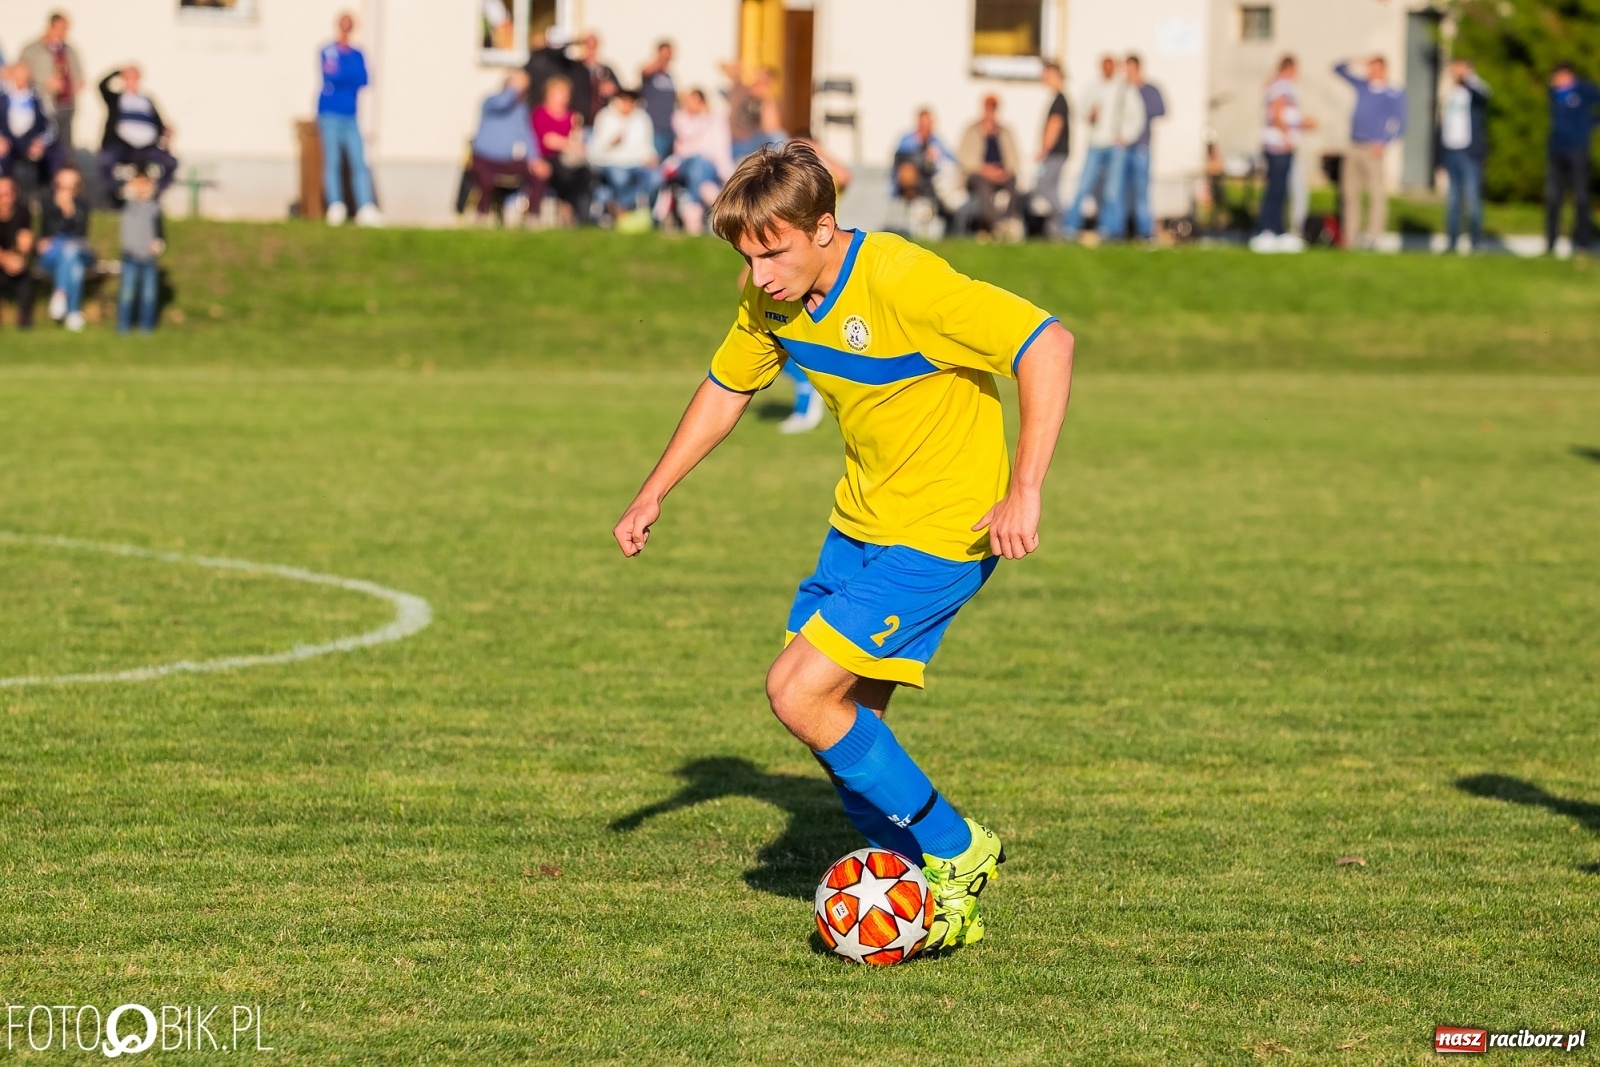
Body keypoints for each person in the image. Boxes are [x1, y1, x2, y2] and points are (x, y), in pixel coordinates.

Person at [612, 141, 1075, 953]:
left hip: (944, 530)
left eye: (773, 252)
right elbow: (728, 386)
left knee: (797, 691)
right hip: (858, 524)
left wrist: (1026, 487)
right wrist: (654, 490)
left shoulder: (903, 281)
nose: (758, 276)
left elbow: (1048, 344)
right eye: (746, 256)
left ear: (825, 227)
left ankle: (959, 852)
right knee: (839, 720)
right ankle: (913, 880)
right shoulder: (773, 294)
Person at [1062, 55, 1144, 241]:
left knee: (1112, 189)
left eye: (1110, 67)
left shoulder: (1124, 89)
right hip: (1095, 144)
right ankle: (1071, 225)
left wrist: (1126, 137)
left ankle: (1109, 228)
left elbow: (1137, 116)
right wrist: (1090, 115)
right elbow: (1081, 111)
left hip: (1115, 146)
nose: (1107, 70)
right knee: (1084, 185)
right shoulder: (1092, 88)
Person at [317, 12, 382, 228]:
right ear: (338, 27)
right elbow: (330, 76)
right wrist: (348, 76)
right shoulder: (328, 51)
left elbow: (364, 78)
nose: (346, 29)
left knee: (359, 162)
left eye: (349, 26)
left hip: (351, 115)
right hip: (330, 115)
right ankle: (335, 205)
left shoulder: (358, 54)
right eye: (343, 25)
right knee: (333, 161)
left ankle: (365, 207)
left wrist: (344, 76)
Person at [1335, 55, 1406, 249]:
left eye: (1375, 68)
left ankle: (1374, 237)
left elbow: (1400, 124)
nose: (1370, 72)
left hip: (1373, 149)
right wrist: (1358, 60)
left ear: (1383, 70)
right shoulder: (1363, 86)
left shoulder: (1393, 93)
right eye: (1369, 68)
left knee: (1375, 194)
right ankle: (1350, 237)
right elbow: (1337, 68)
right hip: (1354, 145)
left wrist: (1384, 141)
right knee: (1350, 193)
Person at [1251, 55, 1315, 254]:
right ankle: (1268, 229)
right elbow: (1277, 111)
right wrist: (1287, 136)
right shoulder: (1282, 86)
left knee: (1280, 190)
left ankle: (1277, 229)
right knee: (1276, 190)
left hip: (1279, 144)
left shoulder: (1277, 85)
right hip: (1279, 146)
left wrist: (1301, 124)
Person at [468, 70, 549, 223]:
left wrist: (535, 159)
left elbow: (527, 135)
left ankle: (533, 217)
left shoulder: (521, 109)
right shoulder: (490, 101)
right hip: (484, 159)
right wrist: (515, 86)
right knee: (486, 180)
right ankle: (481, 215)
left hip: (507, 161)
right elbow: (503, 102)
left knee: (539, 174)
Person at [97, 66, 179, 200]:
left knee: (170, 162)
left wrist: (165, 131)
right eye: (128, 78)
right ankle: (114, 196)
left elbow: (157, 122)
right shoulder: (116, 98)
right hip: (122, 145)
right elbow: (101, 86)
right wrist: (118, 71)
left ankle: (156, 192)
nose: (132, 82)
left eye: (134, 78)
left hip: (147, 147)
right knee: (106, 159)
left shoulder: (147, 100)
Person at [1544, 62, 1600, 256]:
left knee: (1581, 196)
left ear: (1567, 75)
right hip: (1556, 149)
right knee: (1553, 197)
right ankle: (1551, 243)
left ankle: (1584, 242)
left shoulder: (1583, 90)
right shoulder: (1553, 93)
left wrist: (1590, 125)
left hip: (1577, 148)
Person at [1440, 59, 1490, 254]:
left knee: (1472, 200)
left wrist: (1467, 75)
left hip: (1469, 152)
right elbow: (1443, 126)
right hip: (1451, 151)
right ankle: (1452, 242)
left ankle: (1475, 242)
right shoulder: (1451, 93)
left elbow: (1483, 97)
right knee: (1452, 200)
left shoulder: (1475, 89)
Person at [957, 94, 1023, 240]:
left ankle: (1007, 221)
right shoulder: (972, 130)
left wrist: (1004, 171)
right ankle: (995, 224)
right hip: (978, 174)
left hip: (1000, 174)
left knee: (1013, 181)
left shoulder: (1005, 132)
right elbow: (964, 158)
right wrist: (984, 169)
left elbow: (1014, 158)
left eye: (994, 109)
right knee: (983, 184)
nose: (991, 112)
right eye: (988, 108)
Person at [668, 88, 732, 235]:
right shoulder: (680, 118)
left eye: (695, 101)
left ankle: (695, 208)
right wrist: (704, 119)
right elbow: (686, 136)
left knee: (702, 167)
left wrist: (726, 172)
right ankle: (701, 203)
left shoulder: (717, 120)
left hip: (709, 165)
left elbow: (722, 147)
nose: (691, 105)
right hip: (685, 163)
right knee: (698, 162)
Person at [36, 166, 92, 332]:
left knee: (71, 250)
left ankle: (60, 294)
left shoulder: (82, 205)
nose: (66, 191)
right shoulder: (47, 202)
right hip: (52, 255)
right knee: (75, 266)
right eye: (62, 186)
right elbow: (46, 235)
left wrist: (69, 212)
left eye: (70, 187)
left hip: (76, 251)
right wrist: (59, 209)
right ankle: (73, 312)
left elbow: (81, 235)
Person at [532, 76, 593, 225]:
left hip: (569, 157)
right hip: (547, 157)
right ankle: (564, 206)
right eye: (560, 93)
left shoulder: (573, 116)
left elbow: (577, 141)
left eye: (566, 94)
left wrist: (573, 139)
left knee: (586, 173)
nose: (564, 98)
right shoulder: (541, 113)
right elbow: (548, 140)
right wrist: (567, 143)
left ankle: (575, 210)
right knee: (564, 173)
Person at [591, 88, 660, 218]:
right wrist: (611, 142)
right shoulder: (605, 116)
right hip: (612, 162)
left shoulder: (642, 118)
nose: (628, 105)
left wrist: (651, 158)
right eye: (624, 101)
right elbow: (595, 150)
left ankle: (620, 206)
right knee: (620, 178)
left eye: (631, 101)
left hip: (637, 163)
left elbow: (647, 146)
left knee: (656, 177)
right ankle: (623, 210)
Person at [19, 12, 83, 151]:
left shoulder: (68, 49)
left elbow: (76, 71)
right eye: (63, 28)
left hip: (66, 104)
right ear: (52, 26)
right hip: (43, 104)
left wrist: (77, 81)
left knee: (64, 145)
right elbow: (22, 75)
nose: (65, 32)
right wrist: (45, 83)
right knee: (44, 144)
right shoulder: (32, 50)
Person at [1123, 55, 1166, 243]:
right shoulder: (1122, 90)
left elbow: (1161, 110)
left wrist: (1138, 107)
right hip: (1123, 148)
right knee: (1121, 191)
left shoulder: (1150, 90)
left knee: (1141, 191)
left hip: (1141, 146)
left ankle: (1145, 233)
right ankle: (1122, 231)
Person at [117, 170, 163, 334]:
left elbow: (159, 229)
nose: (142, 189)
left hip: (148, 256)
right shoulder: (127, 205)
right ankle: (123, 327)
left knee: (149, 294)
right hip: (130, 255)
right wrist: (126, 187)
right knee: (127, 293)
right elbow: (113, 196)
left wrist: (159, 241)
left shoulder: (154, 207)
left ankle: (147, 328)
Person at [2, 63, 58, 194]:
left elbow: (51, 125)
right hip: (8, 143)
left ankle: (45, 196)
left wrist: (41, 142)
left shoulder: (38, 97)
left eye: (25, 76)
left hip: (32, 142)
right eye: (19, 76)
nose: (22, 80)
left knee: (53, 157)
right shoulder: (3, 97)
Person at [1035, 63, 1071, 236]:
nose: (1043, 78)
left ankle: (1063, 218)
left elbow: (1054, 125)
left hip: (1055, 153)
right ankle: (1056, 229)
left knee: (1042, 186)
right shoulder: (1059, 99)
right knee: (1052, 188)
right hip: (1058, 153)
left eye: (1046, 74)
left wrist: (1044, 149)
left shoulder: (1059, 101)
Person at [724, 63, 785, 160]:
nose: (759, 81)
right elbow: (724, 67)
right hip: (735, 142)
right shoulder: (741, 89)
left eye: (764, 80)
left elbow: (772, 129)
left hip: (754, 142)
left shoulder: (768, 100)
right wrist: (746, 68)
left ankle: (782, 168)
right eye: (758, 76)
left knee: (779, 136)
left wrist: (766, 100)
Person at [0, 176, 35, 330]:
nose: (4, 199)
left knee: (25, 277)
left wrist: (20, 256)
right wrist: (5, 260)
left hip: (13, 259)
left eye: (7, 194)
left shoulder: (23, 211)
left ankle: (25, 320)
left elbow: (25, 239)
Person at [640, 40, 677, 164]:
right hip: (655, 128)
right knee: (655, 163)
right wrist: (660, 60)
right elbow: (643, 71)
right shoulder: (650, 74)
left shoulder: (669, 76)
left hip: (669, 128)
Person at [573, 32, 617, 126]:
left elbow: (620, 92)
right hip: (580, 122)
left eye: (593, 46)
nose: (591, 50)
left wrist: (612, 89)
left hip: (602, 123)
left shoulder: (606, 70)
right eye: (587, 45)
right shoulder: (574, 69)